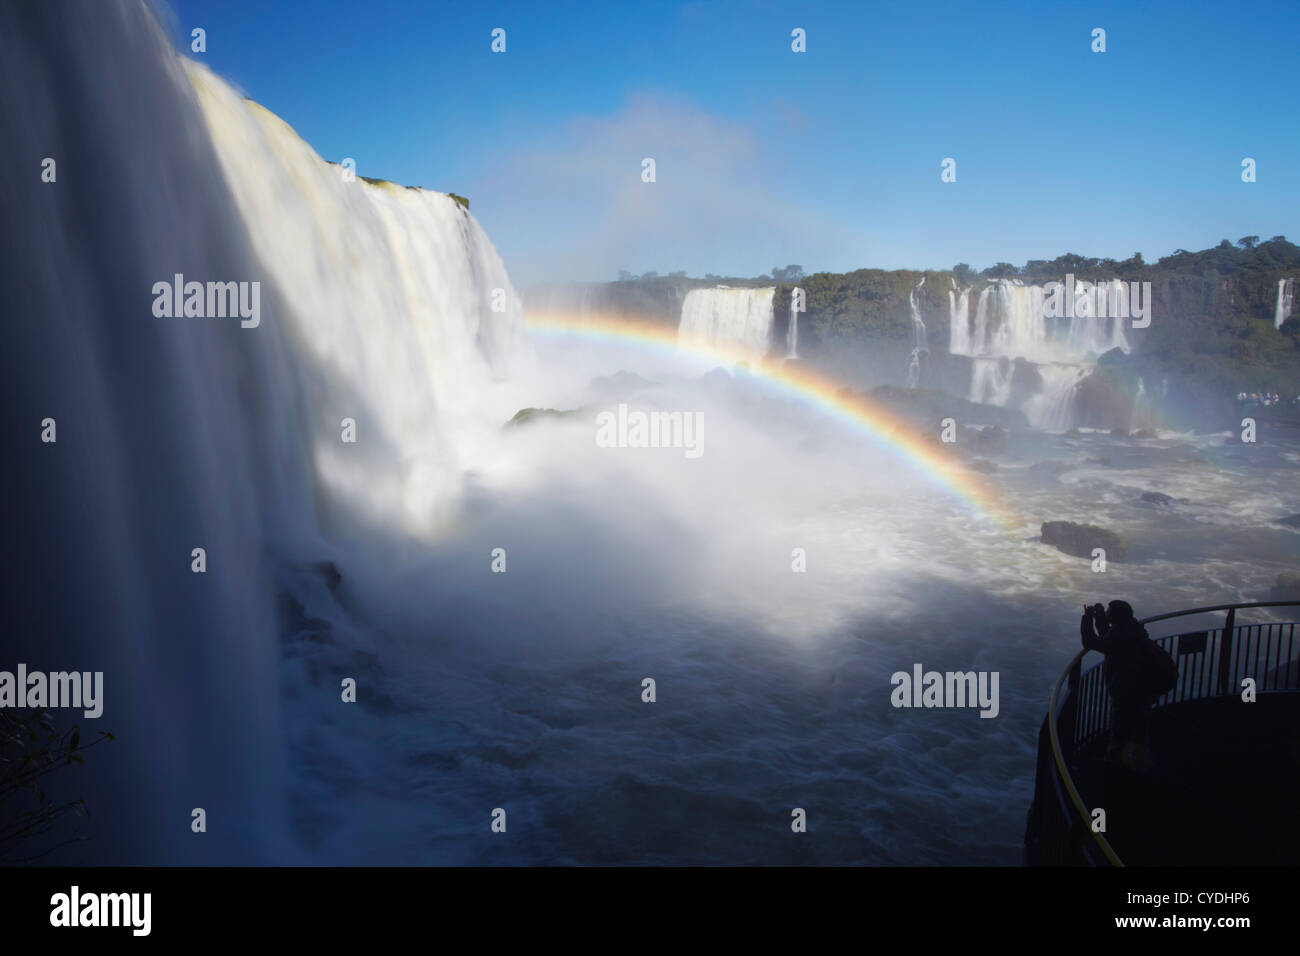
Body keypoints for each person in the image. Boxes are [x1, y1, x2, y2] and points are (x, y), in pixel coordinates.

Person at [1080, 600, 1154, 772]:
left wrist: (1087, 619)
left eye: (1108, 611)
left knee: (1120, 731)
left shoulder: (1120, 636)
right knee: (1139, 731)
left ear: (1116, 616)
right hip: (1143, 689)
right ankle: (1141, 763)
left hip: (1126, 692)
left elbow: (1092, 642)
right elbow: (1109, 637)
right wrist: (1099, 618)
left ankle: (1116, 768)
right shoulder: (1134, 629)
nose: (1107, 613)